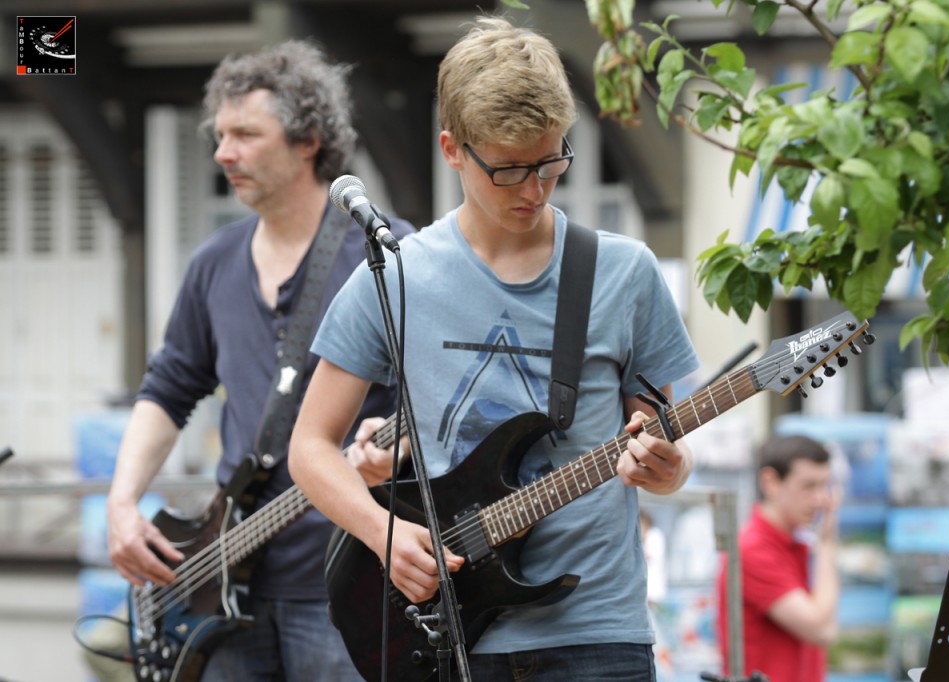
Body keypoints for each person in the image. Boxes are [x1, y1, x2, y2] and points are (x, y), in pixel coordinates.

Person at [289, 16, 700, 681]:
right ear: (453, 150)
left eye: (551, 163)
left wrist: (668, 469)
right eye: (509, 171)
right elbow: (310, 447)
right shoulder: (396, 274)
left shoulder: (626, 272)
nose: (534, 191)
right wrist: (382, 534)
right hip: (446, 636)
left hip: (599, 632)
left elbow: (660, 442)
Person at [106, 40, 414, 680]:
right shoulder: (213, 262)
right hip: (221, 584)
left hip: (350, 582)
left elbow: (444, 397)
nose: (223, 153)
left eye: (245, 134)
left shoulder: (386, 254)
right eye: (220, 135)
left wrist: (401, 450)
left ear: (308, 141)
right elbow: (168, 389)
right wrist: (122, 502)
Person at [717, 434, 841, 682]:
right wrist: (826, 543)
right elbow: (821, 629)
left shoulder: (792, 543)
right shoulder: (752, 549)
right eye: (808, 486)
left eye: (824, 485)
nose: (821, 499)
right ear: (771, 482)